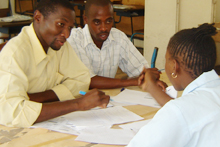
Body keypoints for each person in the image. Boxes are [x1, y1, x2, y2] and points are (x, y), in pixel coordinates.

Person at [0, 0, 109, 128]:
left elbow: (81, 80)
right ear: (38, 17)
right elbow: (11, 112)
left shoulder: (58, 44)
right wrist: (78, 104)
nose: (67, 35)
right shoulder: (15, 52)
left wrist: (36, 98)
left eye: (70, 28)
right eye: (60, 24)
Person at [127, 23, 220, 147]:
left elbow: (181, 114)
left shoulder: (179, 112)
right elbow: (189, 112)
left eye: (166, 59)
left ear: (174, 66)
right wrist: (151, 87)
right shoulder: (210, 94)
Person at [67, 0, 149, 89]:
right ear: (86, 19)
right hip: (80, 98)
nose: (104, 28)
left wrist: (149, 75)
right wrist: (131, 81)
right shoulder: (75, 39)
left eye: (108, 21)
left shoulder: (118, 37)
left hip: (109, 98)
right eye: (97, 22)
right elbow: (88, 80)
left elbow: (141, 70)